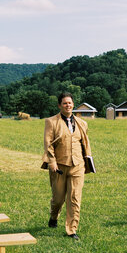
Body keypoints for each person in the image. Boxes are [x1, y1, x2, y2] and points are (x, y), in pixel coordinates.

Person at [42, 92, 94, 241]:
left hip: (78, 165)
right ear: (59, 105)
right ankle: (54, 216)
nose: (68, 105)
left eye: (70, 103)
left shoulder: (82, 124)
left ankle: (72, 230)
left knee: (74, 198)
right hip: (59, 166)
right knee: (58, 199)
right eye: (65, 103)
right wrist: (52, 162)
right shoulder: (51, 122)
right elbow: (48, 143)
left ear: (73, 105)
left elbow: (85, 143)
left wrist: (87, 162)